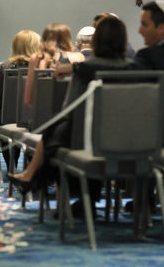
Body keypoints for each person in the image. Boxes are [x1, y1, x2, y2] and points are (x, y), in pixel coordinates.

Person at [9, 16, 133, 213]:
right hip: (128, 139)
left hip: (86, 140)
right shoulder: (133, 69)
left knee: (58, 132)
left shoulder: (83, 70)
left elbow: (69, 108)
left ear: (97, 41)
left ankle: (39, 182)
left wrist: (73, 69)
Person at [0, 30, 41, 172]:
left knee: (5, 128)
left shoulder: (6, 67)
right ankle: (32, 165)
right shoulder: (42, 67)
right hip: (35, 119)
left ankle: (11, 166)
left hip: (8, 119)